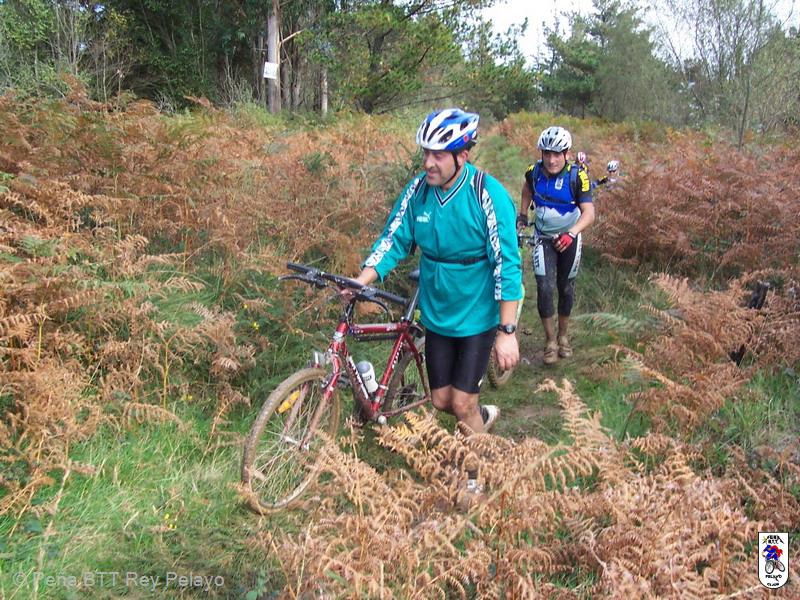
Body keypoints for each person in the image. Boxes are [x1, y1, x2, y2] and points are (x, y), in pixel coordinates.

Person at [350, 108, 522, 434]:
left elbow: (507, 264)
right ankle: (482, 418)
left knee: (462, 404)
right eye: (426, 153)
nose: (429, 162)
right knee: (442, 400)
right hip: (437, 310)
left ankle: (480, 464)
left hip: (477, 312)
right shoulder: (418, 192)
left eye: (438, 155)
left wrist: (507, 331)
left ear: (462, 156)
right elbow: (394, 239)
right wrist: (360, 282)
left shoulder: (487, 193)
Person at [517, 126, 595, 365]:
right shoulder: (534, 172)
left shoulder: (577, 177)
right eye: (547, 154)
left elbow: (589, 213)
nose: (551, 160)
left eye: (557, 154)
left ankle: (563, 336)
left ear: (567, 154)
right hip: (543, 238)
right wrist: (523, 214)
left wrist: (571, 233)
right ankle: (550, 341)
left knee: (565, 288)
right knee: (544, 287)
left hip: (570, 238)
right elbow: (527, 189)